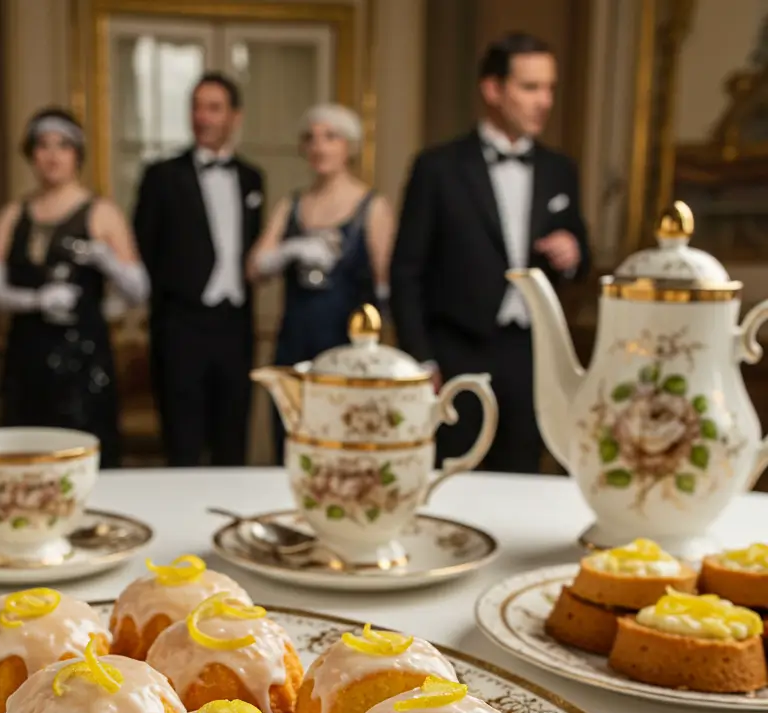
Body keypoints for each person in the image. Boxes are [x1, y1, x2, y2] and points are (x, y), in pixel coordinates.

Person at [390, 32, 591, 474]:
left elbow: (583, 257)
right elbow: (405, 272)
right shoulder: (438, 167)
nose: (545, 101)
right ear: (493, 89)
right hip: (456, 354)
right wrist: (422, 360)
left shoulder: (561, 170)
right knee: (450, 478)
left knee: (523, 477)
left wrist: (573, 252)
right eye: (531, 87)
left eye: (550, 88)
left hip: (533, 356)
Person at [0, 107, 149, 468]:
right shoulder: (12, 215)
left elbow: (139, 290)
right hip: (27, 354)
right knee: (24, 455)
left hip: (84, 360)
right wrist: (35, 300)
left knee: (85, 454)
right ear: (31, 154)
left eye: (63, 145)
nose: (52, 155)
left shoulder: (102, 213)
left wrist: (107, 261)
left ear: (77, 155)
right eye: (43, 145)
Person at [248, 103, 394, 460]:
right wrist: (289, 250)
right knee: (291, 440)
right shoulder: (292, 205)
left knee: (343, 447)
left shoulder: (372, 207)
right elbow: (253, 270)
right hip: (294, 342)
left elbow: (387, 287)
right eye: (311, 138)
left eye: (331, 137)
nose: (320, 146)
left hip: (346, 346)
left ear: (350, 146)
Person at [133, 72, 264, 467]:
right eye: (196, 107)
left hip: (236, 326)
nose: (202, 117)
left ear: (234, 116)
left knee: (232, 442)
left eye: (214, 108)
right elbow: (142, 253)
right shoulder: (161, 176)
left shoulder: (251, 178)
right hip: (180, 327)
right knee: (183, 444)